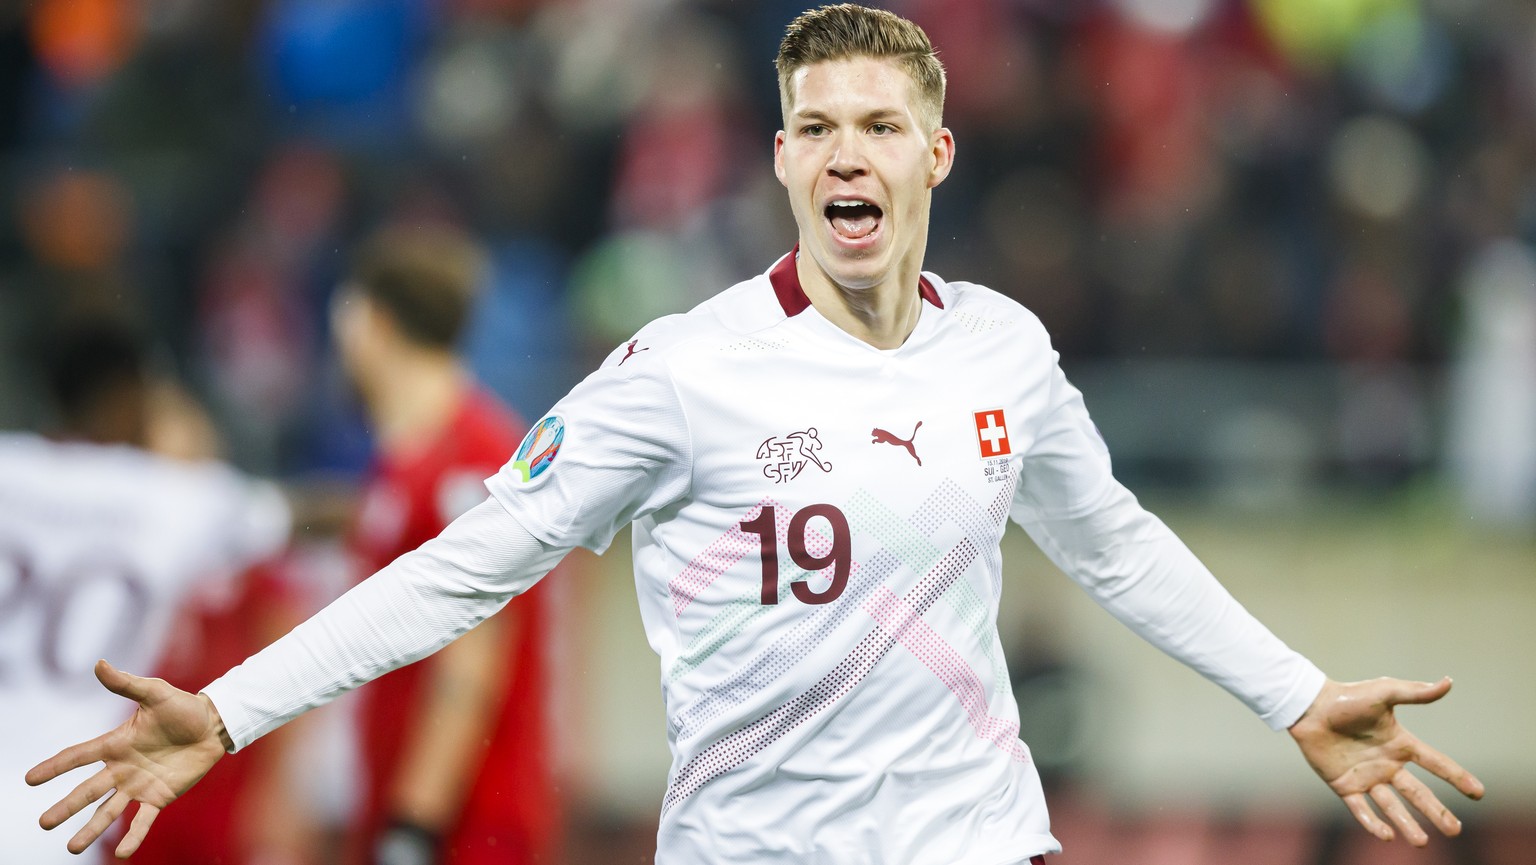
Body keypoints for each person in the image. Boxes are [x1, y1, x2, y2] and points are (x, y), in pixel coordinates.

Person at [28, 6, 1483, 864]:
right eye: (817, 124)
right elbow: (464, 566)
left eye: (878, 123)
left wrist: (1292, 692)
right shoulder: (681, 373)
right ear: (784, 157)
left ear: (935, 153)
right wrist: (228, 711)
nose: (848, 149)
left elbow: (1116, 545)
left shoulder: (1007, 352)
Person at [2, 319, 291, 865]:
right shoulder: (173, 498)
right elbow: (310, 515)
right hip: (59, 817)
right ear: (129, 396)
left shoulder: (8, 465)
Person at [327, 224, 559, 865]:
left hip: (466, 824)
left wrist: (413, 827)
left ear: (371, 323)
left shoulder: (474, 459)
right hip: (407, 806)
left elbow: (469, 664)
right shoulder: (403, 466)